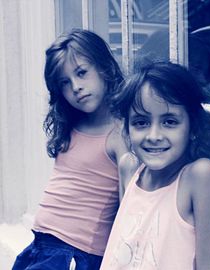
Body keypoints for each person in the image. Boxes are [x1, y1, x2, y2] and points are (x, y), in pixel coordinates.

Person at [12, 28, 136, 270]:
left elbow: (130, 207)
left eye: (82, 73)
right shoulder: (74, 124)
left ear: (105, 69)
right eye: (65, 83)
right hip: (42, 246)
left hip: (75, 253)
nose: (76, 87)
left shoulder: (119, 134)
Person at [100, 61, 210, 270]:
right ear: (127, 128)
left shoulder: (198, 177)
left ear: (193, 126)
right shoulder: (129, 169)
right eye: (141, 122)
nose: (154, 136)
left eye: (169, 122)